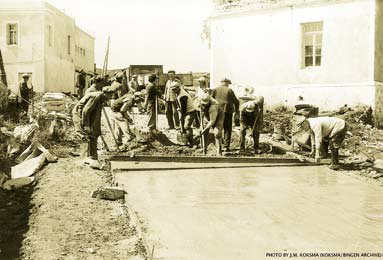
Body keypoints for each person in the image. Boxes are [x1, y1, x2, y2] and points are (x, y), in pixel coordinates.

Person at [212, 78, 239, 152]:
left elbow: (210, 100)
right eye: (228, 84)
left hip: (217, 111)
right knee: (227, 129)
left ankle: (218, 145)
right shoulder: (229, 90)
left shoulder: (215, 90)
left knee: (218, 128)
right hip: (227, 112)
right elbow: (236, 102)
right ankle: (226, 146)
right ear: (227, 83)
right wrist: (237, 112)